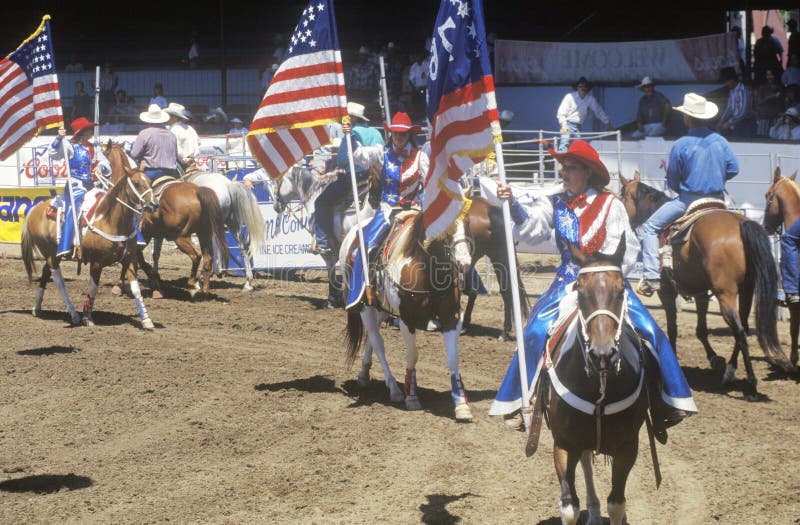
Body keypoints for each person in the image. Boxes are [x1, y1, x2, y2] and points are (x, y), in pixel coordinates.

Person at [488, 140, 696, 440]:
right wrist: (514, 205)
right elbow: (532, 228)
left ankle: (667, 401)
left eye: (571, 167)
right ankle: (523, 400)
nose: (564, 173)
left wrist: (604, 275)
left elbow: (626, 245)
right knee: (534, 330)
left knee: (649, 330)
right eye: (563, 168)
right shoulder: (555, 203)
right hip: (567, 282)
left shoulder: (611, 204)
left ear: (587, 173)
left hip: (604, 283)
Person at [638, 93, 739, 295]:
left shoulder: (681, 144)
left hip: (689, 200)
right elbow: (734, 169)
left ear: (687, 117)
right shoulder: (720, 140)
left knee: (649, 228)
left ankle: (651, 276)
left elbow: (673, 179)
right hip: (718, 200)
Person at [344, 112, 427, 310]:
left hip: (414, 210)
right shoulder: (381, 152)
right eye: (396, 134)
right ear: (391, 135)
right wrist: (349, 136)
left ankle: (455, 290)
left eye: (403, 134)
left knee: (441, 244)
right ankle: (363, 290)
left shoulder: (421, 157)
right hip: (388, 210)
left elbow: (430, 182)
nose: (399, 138)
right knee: (367, 245)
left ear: (409, 136)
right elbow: (359, 157)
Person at [312, 101, 384, 255]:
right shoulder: (376, 132)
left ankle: (323, 242)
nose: (344, 120)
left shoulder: (350, 134)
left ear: (352, 118)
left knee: (321, 202)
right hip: (377, 179)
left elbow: (342, 160)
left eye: (346, 117)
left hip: (355, 178)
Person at [48, 118, 111, 259]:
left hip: (93, 185)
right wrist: (59, 138)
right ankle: (65, 245)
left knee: (110, 200)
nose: (91, 132)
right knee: (73, 208)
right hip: (75, 185)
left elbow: (106, 162)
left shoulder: (95, 147)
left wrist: (101, 167)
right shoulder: (69, 146)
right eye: (89, 129)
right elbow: (53, 154)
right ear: (82, 132)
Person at [556, 76, 612, 152]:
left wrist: (607, 122)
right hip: (568, 123)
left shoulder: (590, 99)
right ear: (577, 88)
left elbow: (598, 111)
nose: (583, 88)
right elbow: (561, 112)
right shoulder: (569, 97)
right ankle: (562, 161)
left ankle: (574, 162)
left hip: (578, 126)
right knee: (565, 143)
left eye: (585, 87)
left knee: (577, 146)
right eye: (581, 86)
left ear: (587, 88)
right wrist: (564, 124)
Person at [130, 104, 179, 181]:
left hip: (151, 172)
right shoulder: (171, 135)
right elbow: (176, 155)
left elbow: (134, 154)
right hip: (170, 172)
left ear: (148, 120)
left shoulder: (144, 133)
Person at [717, 66, 755, 139]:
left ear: (731, 80)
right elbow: (729, 108)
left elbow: (743, 112)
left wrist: (728, 123)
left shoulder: (743, 91)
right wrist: (721, 121)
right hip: (737, 124)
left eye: (726, 81)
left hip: (747, 124)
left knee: (747, 146)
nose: (725, 84)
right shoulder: (732, 91)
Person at [164, 102, 200, 169]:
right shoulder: (190, 128)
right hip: (193, 162)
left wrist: (185, 158)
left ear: (174, 117)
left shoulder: (172, 131)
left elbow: (176, 151)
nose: (167, 117)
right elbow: (199, 142)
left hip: (181, 164)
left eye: (169, 115)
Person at [755, 68, 785, 136]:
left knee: (776, 137)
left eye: (771, 75)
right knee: (762, 137)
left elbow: (783, 101)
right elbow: (759, 102)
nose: (769, 77)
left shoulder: (780, 87)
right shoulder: (762, 87)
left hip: (776, 117)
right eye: (768, 75)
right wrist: (769, 97)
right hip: (764, 117)